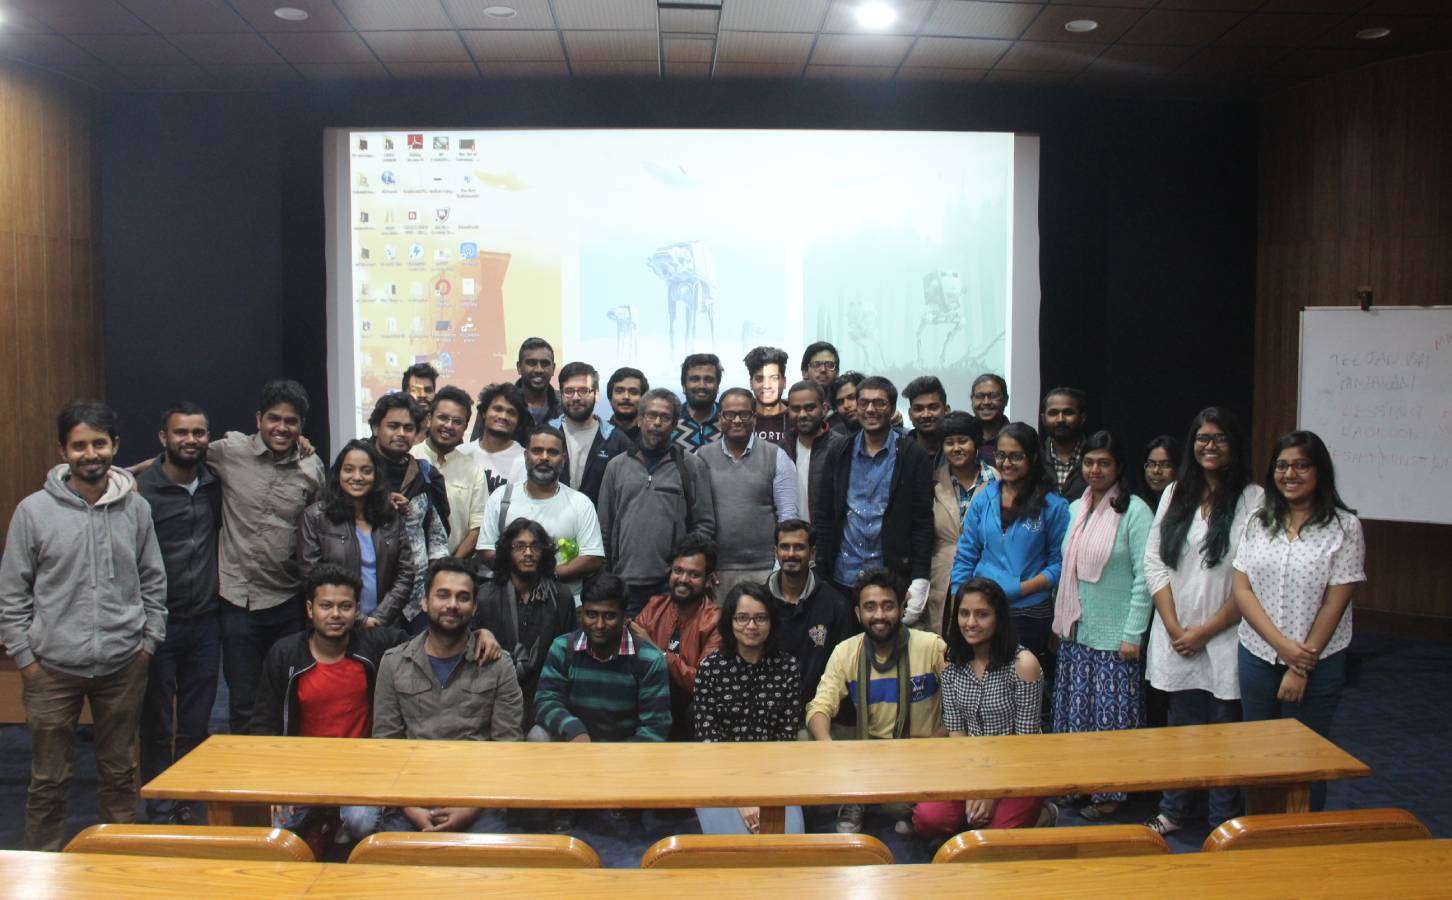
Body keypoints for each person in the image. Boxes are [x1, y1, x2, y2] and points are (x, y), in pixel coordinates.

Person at [0, 402, 166, 851]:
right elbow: (12, 592)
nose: (90, 454)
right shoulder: (33, 512)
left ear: (115, 446)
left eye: (99, 443)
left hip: (123, 665)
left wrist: (148, 643)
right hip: (51, 669)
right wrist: (26, 659)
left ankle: (117, 864)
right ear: (63, 450)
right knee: (48, 780)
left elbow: (153, 579)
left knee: (120, 775)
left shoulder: (136, 509)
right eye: (79, 445)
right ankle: (42, 868)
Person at [1142, 407, 1260, 837]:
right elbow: (1154, 561)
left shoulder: (1253, 499)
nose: (1210, 446)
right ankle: (1173, 811)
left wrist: (1204, 632)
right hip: (1176, 634)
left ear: (1235, 444)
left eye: (1220, 438)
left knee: (1224, 732)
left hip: (1227, 634)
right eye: (1202, 438)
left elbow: (1252, 576)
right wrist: (1175, 628)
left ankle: (1221, 821)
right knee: (1181, 728)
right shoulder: (1176, 492)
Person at [1233, 430, 1363, 813]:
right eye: (1282, 466)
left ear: (1319, 471)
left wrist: (1299, 665)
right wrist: (1281, 647)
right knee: (1258, 756)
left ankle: (1301, 838)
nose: (1290, 474)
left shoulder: (1344, 527)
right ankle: (1258, 834)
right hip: (1257, 655)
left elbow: (1335, 602)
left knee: (1306, 759)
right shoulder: (1258, 521)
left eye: (1301, 465)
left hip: (1318, 663)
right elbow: (1242, 589)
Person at [247, 563, 407, 851]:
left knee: (362, 822)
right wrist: (273, 783)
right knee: (278, 829)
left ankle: (333, 823)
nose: (336, 614)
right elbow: (263, 723)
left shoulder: (373, 646)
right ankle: (324, 822)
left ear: (357, 610)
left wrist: (481, 633)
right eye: (326, 606)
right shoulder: (285, 654)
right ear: (310, 609)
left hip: (360, 770)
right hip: (302, 770)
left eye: (345, 606)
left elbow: (430, 642)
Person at [362, 558, 525, 837]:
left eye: (463, 597)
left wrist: (470, 808)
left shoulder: (498, 666)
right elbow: (386, 746)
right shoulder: (394, 663)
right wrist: (411, 808)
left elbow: (507, 748)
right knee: (387, 859)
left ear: (474, 607)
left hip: (478, 799)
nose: (452, 604)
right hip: (411, 797)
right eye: (442, 595)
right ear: (424, 602)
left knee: (492, 862)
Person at [206, 379, 326, 734]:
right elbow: (178, 455)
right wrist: (124, 475)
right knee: (243, 700)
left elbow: (319, 526)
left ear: (301, 426)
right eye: (274, 418)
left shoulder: (312, 468)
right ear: (259, 418)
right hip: (238, 599)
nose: (282, 428)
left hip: (287, 600)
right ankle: (246, 769)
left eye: (291, 421)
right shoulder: (230, 451)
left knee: (289, 696)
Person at [1050, 430, 1153, 821]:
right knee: (1076, 716)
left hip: (1116, 639)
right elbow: (1067, 571)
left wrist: (1133, 634)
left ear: (1119, 467)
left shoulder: (1135, 511)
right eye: (1089, 462)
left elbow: (1145, 578)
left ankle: (1110, 792)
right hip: (1076, 632)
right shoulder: (1075, 508)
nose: (1095, 469)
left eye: (1104, 463)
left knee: (1110, 721)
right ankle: (1076, 783)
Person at [134, 402, 222, 825]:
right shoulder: (139, 491)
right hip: (156, 623)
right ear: (163, 438)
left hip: (205, 621)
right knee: (155, 723)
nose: (190, 440)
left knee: (195, 721)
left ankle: (188, 798)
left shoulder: (215, 483)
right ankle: (160, 804)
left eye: (198, 433)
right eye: (181, 432)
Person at [806, 569, 946, 834]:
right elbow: (820, 705)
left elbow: (959, 706)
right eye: (870, 607)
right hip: (868, 752)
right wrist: (827, 746)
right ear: (858, 614)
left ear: (902, 608)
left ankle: (905, 805)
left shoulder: (931, 647)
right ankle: (856, 799)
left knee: (900, 809)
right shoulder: (846, 651)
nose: (879, 615)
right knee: (808, 739)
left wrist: (933, 745)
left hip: (921, 753)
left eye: (888, 606)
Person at [911, 578, 1053, 838]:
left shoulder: (1023, 665)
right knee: (928, 819)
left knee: (994, 839)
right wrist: (975, 786)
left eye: (982, 614)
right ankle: (973, 818)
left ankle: (1042, 814)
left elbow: (1025, 745)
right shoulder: (950, 662)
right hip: (970, 765)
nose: (971, 623)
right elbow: (956, 731)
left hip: (1018, 768)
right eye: (964, 613)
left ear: (999, 618)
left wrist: (992, 791)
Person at [813, 376, 933, 627]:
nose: (870, 409)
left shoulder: (913, 455)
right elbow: (825, 516)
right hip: (842, 578)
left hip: (891, 579)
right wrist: (821, 573)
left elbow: (922, 522)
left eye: (879, 403)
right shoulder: (839, 452)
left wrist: (920, 578)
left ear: (892, 408)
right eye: (864, 402)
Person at [949, 422, 1070, 668]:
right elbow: (966, 554)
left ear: (1032, 457)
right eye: (1001, 455)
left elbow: (1060, 565)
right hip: (982, 608)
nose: (1006, 463)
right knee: (982, 677)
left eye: (1016, 456)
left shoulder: (1053, 505)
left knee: (1022, 679)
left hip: (1029, 610)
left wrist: (1019, 589)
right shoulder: (984, 497)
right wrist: (959, 602)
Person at [693, 583, 805, 835]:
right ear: (730, 622)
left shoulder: (788, 668)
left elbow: (785, 740)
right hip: (719, 774)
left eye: (760, 618)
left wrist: (762, 797)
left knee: (788, 843)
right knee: (735, 850)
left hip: (774, 774)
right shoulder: (710, 668)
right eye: (742, 618)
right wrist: (740, 800)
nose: (751, 626)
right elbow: (708, 741)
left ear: (771, 622)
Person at [598, 388, 717, 615]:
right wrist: (607, 575)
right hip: (624, 583)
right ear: (640, 419)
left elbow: (704, 524)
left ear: (675, 424)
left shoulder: (691, 466)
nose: (657, 423)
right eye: (651, 415)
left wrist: (684, 570)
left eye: (665, 417)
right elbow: (604, 526)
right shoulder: (616, 466)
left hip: (672, 585)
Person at [532, 572, 671, 744]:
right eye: (591, 615)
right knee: (538, 735)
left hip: (626, 749)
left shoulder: (649, 660)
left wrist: (617, 756)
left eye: (609, 616)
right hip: (575, 742)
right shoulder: (563, 648)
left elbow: (656, 726)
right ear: (581, 614)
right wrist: (574, 731)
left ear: (625, 617)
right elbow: (545, 700)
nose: (599, 625)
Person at [470, 519, 576, 731]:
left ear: (544, 552)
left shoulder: (561, 597)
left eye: (535, 546)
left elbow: (569, 657)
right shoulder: (486, 597)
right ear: (507, 551)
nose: (528, 553)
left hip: (546, 697)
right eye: (519, 546)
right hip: (492, 697)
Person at [298, 440, 416, 628]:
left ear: (376, 475)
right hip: (334, 624)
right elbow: (312, 576)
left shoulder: (390, 515)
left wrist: (379, 618)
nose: (357, 477)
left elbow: (406, 573)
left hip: (383, 625)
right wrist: (360, 619)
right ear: (338, 473)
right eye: (349, 470)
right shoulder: (315, 517)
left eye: (366, 471)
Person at [479, 425, 604, 600]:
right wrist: (520, 577)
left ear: (563, 458)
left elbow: (592, 558)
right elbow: (486, 549)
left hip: (565, 604)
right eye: (537, 451)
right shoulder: (501, 497)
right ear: (525, 455)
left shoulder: (580, 503)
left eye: (553, 452)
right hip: (509, 602)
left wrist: (544, 576)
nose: (544, 457)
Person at [698, 388, 798, 595]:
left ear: (754, 418)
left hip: (765, 568)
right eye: (729, 414)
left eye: (743, 414)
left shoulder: (776, 456)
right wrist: (704, 566)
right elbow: (697, 517)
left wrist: (778, 568)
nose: (737, 420)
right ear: (720, 418)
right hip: (717, 571)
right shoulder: (702, 457)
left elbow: (788, 518)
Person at [369, 393, 449, 633]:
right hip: (369, 598)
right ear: (375, 428)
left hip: (417, 602)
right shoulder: (355, 472)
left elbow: (438, 538)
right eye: (393, 426)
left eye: (408, 428)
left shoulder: (425, 475)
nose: (401, 433)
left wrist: (434, 585)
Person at [631, 534, 723, 740]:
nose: (683, 579)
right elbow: (632, 662)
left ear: (709, 580)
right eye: (678, 571)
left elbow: (703, 682)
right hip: (650, 701)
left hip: (690, 712)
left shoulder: (715, 620)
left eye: (694, 574)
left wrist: (659, 654)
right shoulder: (654, 607)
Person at [766, 520, 852, 707]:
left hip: (818, 708)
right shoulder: (759, 602)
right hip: (766, 707)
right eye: (785, 547)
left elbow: (841, 669)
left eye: (799, 547)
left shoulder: (835, 605)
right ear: (775, 552)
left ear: (812, 553)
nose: (791, 554)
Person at [928, 412, 996, 636]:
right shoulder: (932, 481)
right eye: (949, 442)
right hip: (942, 574)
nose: (956, 448)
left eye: (963, 441)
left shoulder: (997, 480)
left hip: (986, 571)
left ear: (976, 442)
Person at [412, 386, 488, 557]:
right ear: (429, 419)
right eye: (443, 418)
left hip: (455, 565)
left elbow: (477, 527)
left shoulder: (473, 471)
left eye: (457, 421)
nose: (449, 426)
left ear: (465, 427)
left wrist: (451, 565)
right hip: (408, 566)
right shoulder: (410, 458)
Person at [551, 361, 634, 505]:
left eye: (583, 391)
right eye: (569, 391)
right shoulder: (546, 434)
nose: (576, 397)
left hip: (598, 519)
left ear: (596, 394)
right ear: (561, 394)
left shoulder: (616, 440)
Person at [784, 380, 844, 524]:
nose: (802, 414)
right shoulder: (782, 449)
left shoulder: (841, 447)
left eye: (810, 408)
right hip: (792, 534)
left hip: (829, 534)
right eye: (796, 409)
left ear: (824, 409)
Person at [463, 382, 529, 491]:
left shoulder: (526, 461)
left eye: (511, 412)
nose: (503, 416)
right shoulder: (461, 453)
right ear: (484, 412)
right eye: (498, 409)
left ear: (518, 421)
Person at [1041, 387, 1088, 499]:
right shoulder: (1035, 457)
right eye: (1053, 413)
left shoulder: (1096, 458)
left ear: (1082, 417)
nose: (1060, 419)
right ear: (1043, 418)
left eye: (1068, 412)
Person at [673, 352, 723, 450]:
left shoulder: (730, 421)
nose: (702, 386)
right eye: (695, 379)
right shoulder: (670, 421)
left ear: (717, 386)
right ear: (683, 386)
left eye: (708, 379)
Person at [744, 345, 791, 448]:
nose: (767, 386)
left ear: (784, 382)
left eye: (774, 378)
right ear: (751, 383)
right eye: (759, 379)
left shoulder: (797, 418)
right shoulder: (741, 420)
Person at [903, 375, 950, 467]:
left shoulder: (961, 451)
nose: (926, 415)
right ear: (910, 414)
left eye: (933, 408)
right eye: (918, 409)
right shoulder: (899, 453)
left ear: (946, 410)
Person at [515, 336, 562, 426]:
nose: (539, 370)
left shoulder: (564, 405)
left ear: (553, 369)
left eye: (545, 364)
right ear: (519, 367)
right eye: (531, 363)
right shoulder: (504, 403)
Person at [970, 374, 1009, 469]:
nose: (986, 402)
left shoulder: (1018, 438)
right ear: (972, 400)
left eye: (994, 396)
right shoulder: (962, 437)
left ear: (1006, 400)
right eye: (980, 396)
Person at [606, 366, 648, 445]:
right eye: (619, 391)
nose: (626, 397)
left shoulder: (652, 437)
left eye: (634, 392)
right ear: (610, 398)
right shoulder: (598, 435)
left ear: (644, 399)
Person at [1139, 434, 1180, 513]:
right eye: (1151, 464)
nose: (1156, 471)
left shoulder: (1185, 505)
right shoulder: (1137, 505)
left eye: (1165, 465)